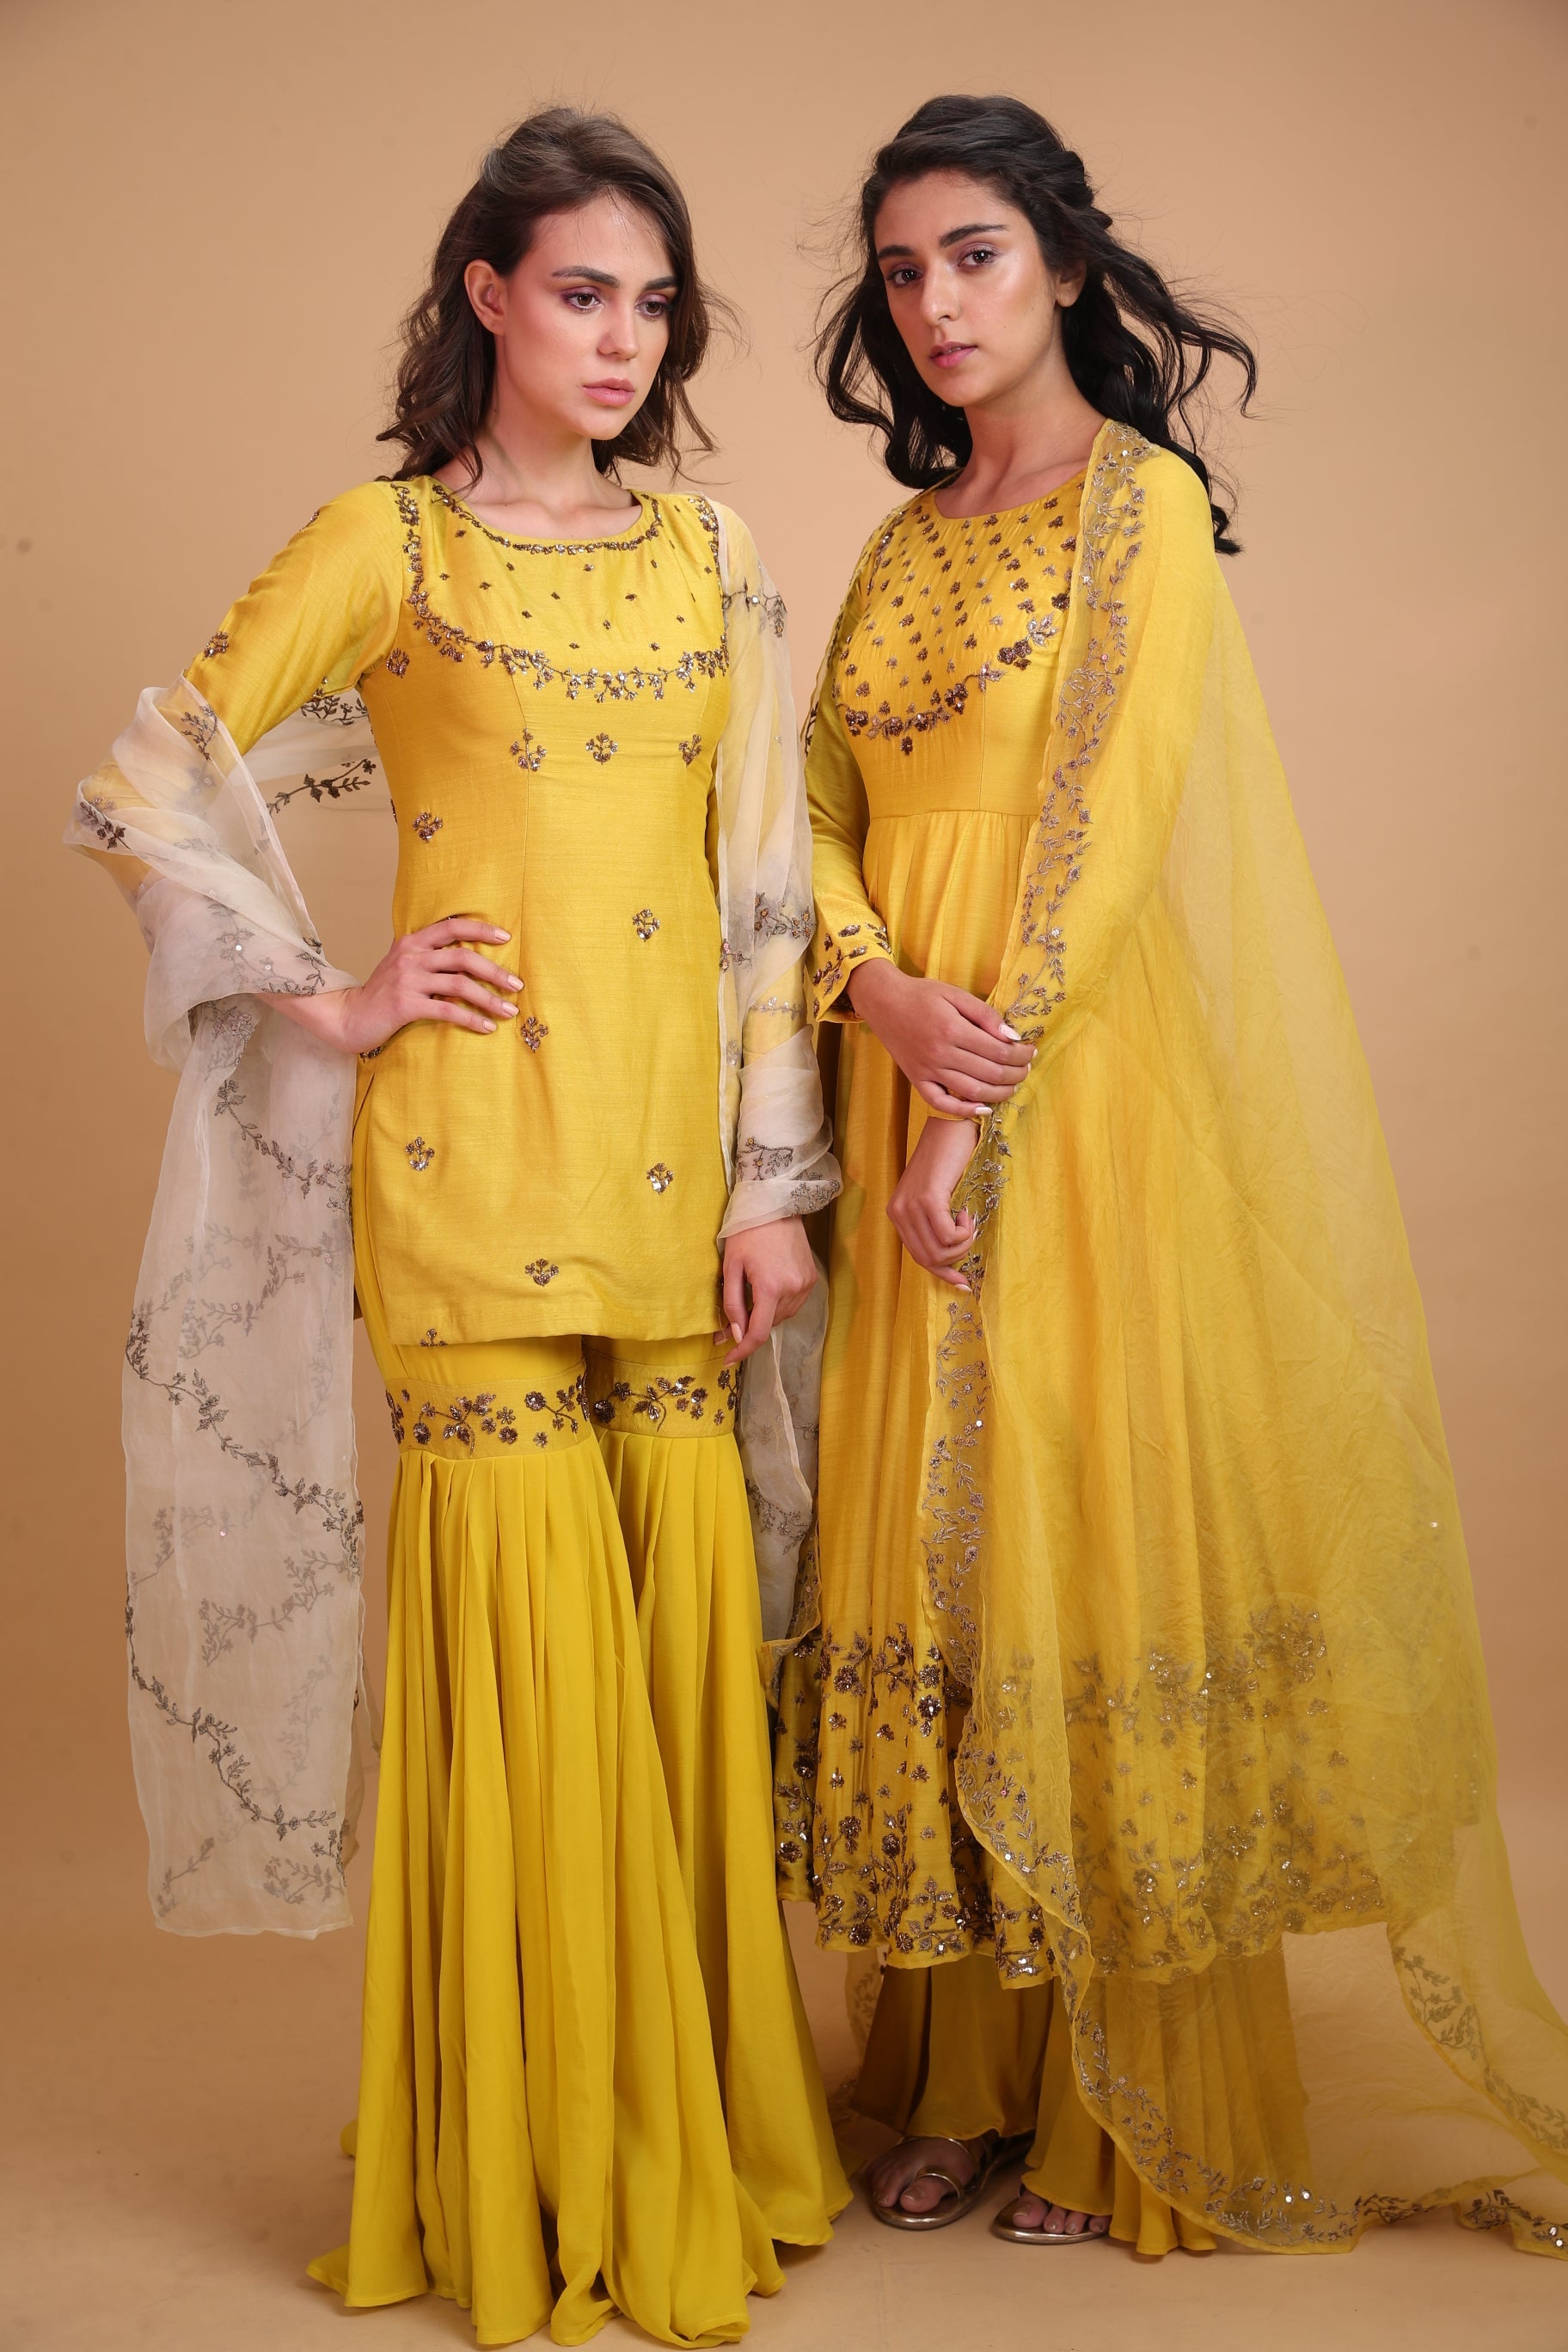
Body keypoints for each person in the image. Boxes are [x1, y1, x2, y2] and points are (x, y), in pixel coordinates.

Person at [70, 107, 847, 2346]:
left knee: (674, 1682)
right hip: (469, 1175)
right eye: (582, 292)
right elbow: (146, 777)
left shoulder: (716, 556)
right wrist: (325, 994)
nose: (624, 338)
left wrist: (774, 1181)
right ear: (488, 296)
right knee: (529, 1690)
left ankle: (696, 2142)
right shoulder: (387, 545)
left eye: (655, 302)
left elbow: (761, 876)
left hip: (673, 1185)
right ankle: (531, 2168)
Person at [775, 89, 1568, 2261]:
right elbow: (810, 805)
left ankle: (1122, 2117)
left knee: (1077, 1553)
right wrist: (872, 993)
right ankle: (953, 2072)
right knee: (928, 1575)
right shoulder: (903, 544)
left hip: (1072, 1105)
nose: (936, 304)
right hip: (900, 1074)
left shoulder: (1140, 508)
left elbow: (1102, 837)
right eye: (903, 270)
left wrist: (972, 1090)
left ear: (1065, 265)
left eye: (975, 256)